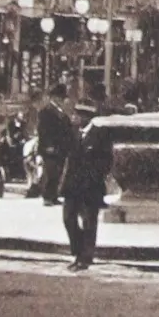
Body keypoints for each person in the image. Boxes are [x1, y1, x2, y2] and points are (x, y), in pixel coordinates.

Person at [58, 106, 110, 271]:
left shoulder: (100, 135)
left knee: (89, 222)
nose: (75, 118)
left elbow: (106, 161)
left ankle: (85, 257)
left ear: (87, 116)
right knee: (68, 218)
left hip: (90, 187)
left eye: (78, 115)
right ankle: (78, 250)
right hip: (72, 186)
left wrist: (95, 178)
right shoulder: (74, 133)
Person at [33, 84, 74, 204]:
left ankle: (54, 195)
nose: (62, 100)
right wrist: (48, 145)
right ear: (54, 97)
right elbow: (43, 130)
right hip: (49, 147)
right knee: (51, 171)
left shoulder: (61, 111)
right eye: (60, 98)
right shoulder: (46, 111)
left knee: (59, 170)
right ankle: (47, 196)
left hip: (61, 146)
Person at [0, 115, 27, 199]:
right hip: (2, 160)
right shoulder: (2, 141)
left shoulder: (22, 125)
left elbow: (23, 134)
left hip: (11, 152)